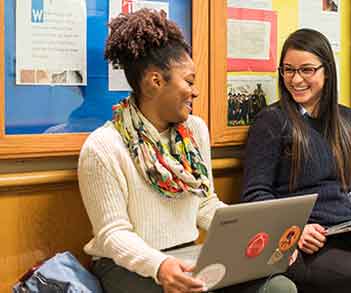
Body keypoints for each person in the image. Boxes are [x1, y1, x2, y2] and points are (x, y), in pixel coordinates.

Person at [78, 8, 296, 293]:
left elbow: (205, 204)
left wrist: (259, 237)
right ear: (155, 82)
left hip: (187, 254)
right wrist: (159, 266)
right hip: (125, 267)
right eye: (189, 82)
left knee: (279, 288)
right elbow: (112, 234)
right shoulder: (103, 146)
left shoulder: (195, 131)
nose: (195, 92)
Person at [241, 28, 351, 293]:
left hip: (344, 226)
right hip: (304, 241)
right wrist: (294, 230)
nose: (295, 80)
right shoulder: (272, 121)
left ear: (326, 71)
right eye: (288, 70)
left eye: (306, 70)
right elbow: (254, 195)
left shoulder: (346, 119)